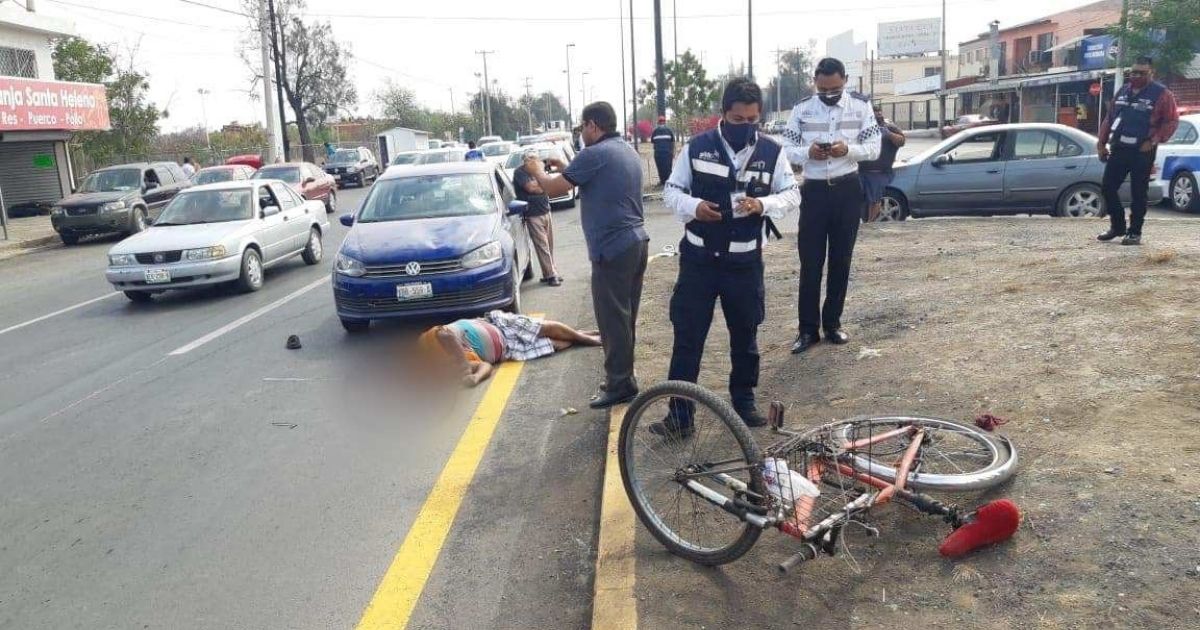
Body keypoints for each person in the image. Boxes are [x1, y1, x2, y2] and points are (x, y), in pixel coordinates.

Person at [655, 78, 800, 435]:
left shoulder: (771, 151)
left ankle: (744, 400)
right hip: (700, 262)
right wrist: (694, 207)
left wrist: (763, 204)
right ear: (723, 114)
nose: (746, 126)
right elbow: (671, 191)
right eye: (738, 119)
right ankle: (680, 414)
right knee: (688, 337)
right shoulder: (697, 148)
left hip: (744, 264)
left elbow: (792, 193)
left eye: (753, 119)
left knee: (745, 334)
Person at [524, 101, 649, 409]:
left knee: (612, 319)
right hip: (636, 243)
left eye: (582, 128)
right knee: (624, 316)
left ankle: (620, 384)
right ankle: (625, 376)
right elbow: (592, 178)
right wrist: (565, 166)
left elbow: (553, 189)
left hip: (613, 248)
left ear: (594, 125)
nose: (581, 134)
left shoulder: (595, 154)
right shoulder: (624, 150)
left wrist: (536, 169)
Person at [782, 57, 881, 355]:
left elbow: (874, 149)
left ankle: (833, 323)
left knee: (841, 260)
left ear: (845, 81)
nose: (829, 94)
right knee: (810, 263)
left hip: (847, 190)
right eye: (823, 89)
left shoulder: (861, 107)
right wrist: (808, 152)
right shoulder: (801, 109)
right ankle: (807, 330)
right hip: (813, 193)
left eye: (835, 88)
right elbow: (785, 150)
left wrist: (847, 150)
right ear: (815, 82)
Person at [1096, 56, 1179, 246]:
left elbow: (1172, 121)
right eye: (1133, 72)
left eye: (1142, 73)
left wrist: (1154, 140)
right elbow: (1109, 118)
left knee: (1138, 192)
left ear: (1152, 73)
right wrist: (1101, 143)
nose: (1136, 76)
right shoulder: (1123, 91)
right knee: (1107, 187)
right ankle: (1117, 226)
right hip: (1119, 148)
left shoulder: (1162, 94)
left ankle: (1134, 232)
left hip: (1143, 150)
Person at [418, 311, 601, 387]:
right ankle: (578, 336)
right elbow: (485, 367)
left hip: (499, 326)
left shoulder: (432, 341)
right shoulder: (450, 371)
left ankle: (585, 338)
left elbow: (445, 334)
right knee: (552, 345)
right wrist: (474, 377)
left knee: (541, 328)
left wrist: (463, 365)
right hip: (508, 349)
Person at [512, 148, 562, 286]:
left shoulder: (539, 170)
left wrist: (543, 185)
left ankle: (550, 272)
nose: (535, 162)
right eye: (531, 160)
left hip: (546, 210)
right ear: (526, 162)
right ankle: (551, 275)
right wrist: (543, 186)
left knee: (549, 245)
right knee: (542, 245)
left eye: (536, 159)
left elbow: (548, 185)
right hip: (533, 213)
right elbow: (531, 188)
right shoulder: (519, 173)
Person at [858, 104, 905, 222]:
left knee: (875, 199)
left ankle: (870, 223)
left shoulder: (889, 127)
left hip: (879, 173)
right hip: (861, 171)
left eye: (879, 111)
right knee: (858, 199)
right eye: (874, 112)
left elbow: (901, 141)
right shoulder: (862, 127)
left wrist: (887, 134)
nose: (877, 114)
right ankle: (863, 222)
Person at [650, 115, 676, 186]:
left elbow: (673, 142)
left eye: (662, 121)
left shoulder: (666, 131)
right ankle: (664, 182)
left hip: (663, 154)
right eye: (661, 122)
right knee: (663, 168)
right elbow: (653, 142)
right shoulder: (657, 131)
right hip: (662, 154)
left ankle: (666, 182)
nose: (661, 123)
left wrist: (673, 152)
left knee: (664, 168)